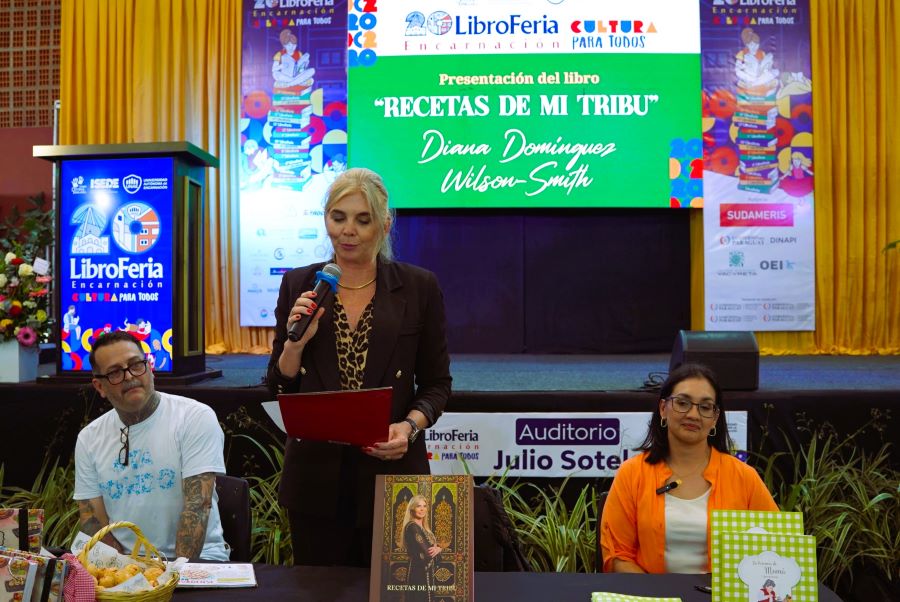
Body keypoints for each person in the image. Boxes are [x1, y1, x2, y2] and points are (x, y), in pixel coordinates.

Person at [267, 167, 452, 567]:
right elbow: (278, 383)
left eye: (362, 220)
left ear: (384, 226)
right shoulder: (300, 284)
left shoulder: (418, 287)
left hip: (394, 478)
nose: (347, 231)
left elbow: (437, 384)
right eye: (338, 217)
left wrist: (409, 427)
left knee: (401, 594)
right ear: (326, 220)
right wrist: (296, 342)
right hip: (316, 481)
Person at [600, 363, 778, 573]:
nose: (693, 415)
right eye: (683, 403)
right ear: (663, 409)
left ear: (715, 419)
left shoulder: (744, 477)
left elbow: (775, 549)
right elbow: (618, 556)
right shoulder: (632, 473)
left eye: (705, 407)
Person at [73, 331, 229, 561]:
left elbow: (197, 507)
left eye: (136, 365)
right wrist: (125, 572)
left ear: (150, 367)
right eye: (115, 372)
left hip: (197, 562)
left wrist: (169, 577)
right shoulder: (89, 438)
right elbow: (93, 521)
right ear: (100, 387)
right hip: (129, 567)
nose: (129, 376)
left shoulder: (194, 417)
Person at [400, 495, 442, 601]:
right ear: (412, 508)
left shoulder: (424, 529)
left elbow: (436, 556)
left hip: (427, 573)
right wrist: (437, 549)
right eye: (419, 506)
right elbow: (429, 553)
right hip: (418, 574)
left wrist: (439, 548)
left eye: (424, 506)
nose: (422, 509)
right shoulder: (412, 527)